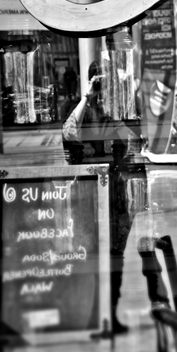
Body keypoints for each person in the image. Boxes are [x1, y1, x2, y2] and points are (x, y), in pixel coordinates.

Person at [62, 63, 146, 334]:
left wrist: (125, 98)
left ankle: (109, 314)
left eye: (107, 85)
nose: (102, 91)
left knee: (115, 259)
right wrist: (87, 98)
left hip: (117, 200)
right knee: (91, 258)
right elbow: (69, 133)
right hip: (88, 200)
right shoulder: (79, 111)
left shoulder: (114, 115)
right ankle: (95, 315)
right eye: (99, 84)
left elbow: (135, 141)